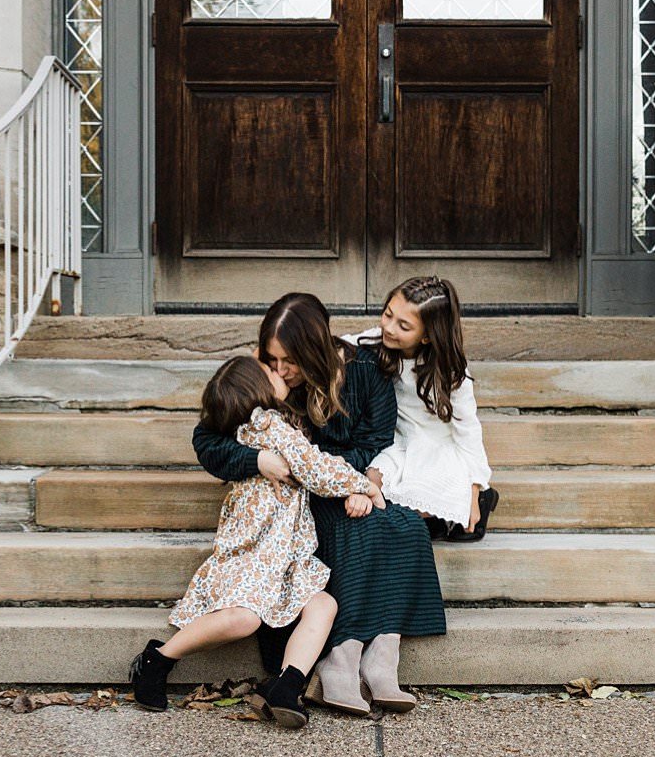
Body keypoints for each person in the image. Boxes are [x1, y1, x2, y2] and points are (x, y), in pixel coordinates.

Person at [193, 293, 446, 716]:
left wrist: (351, 482)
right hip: (290, 502)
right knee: (352, 529)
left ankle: (382, 659)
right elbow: (207, 440)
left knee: (405, 526)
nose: (281, 371)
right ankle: (337, 661)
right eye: (271, 360)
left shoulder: (367, 369)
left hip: (344, 483)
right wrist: (257, 459)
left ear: (314, 351)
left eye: (289, 361)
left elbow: (375, 442)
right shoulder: (262, 380)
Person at [129, 355, 380, 729]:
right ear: (256, 392)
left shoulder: (269, 425)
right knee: (243, 619)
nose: (279, 371)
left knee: (323, 605)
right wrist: (364, 485)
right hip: (255, 553)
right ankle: (157, 659)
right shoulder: (267, 425)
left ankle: (286, 684)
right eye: (269, 371)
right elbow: (316, 469)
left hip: (283, 557)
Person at [346, 276, 499, 542]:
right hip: (396, 443)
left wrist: (474, 491)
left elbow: (468, 431)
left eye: (403, 325)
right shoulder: (374, 340)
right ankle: (435, 520)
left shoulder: (451, 371)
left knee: (423, 495)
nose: (389, 328)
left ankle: (478, 501)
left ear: (428, 335)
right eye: (387, 315)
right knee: (372, 484)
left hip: (436, 446)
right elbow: (330, 346)